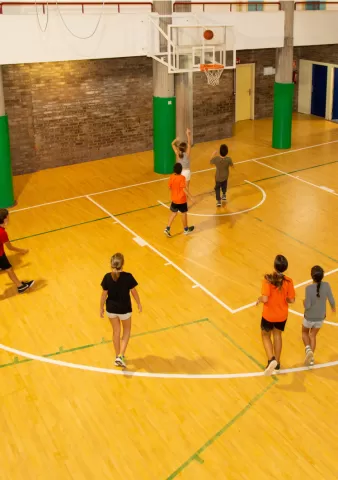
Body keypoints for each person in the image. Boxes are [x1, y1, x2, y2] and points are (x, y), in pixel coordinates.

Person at [100, 253, 142, 368]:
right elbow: (134, 292)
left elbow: (104, 295)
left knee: (116, 332)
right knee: (127, 330)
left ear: (111, 264)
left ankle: (117, 356)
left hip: (111, 309)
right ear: (123, 264)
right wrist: (138, 303)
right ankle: (121, 355)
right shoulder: (128, 277)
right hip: (125, 310)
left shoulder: (107, 277)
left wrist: (101, 308)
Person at [256, 255, 295, 376]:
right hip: (282, 315)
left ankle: (271, 359)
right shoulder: (288, 281)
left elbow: (266, 298)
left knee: (265, 335)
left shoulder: (267, 280)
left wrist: (259, 299)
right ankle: (277, 364)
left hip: (269, 315)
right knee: (277, 335)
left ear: (274, 265)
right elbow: (291, 300)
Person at [302, 265, 336, 367]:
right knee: (313, 335)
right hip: (321, 317)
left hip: (309, 316)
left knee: (304, 333)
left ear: (311, 276)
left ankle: (308, 350)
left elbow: (307, 306)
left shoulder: (308, 289)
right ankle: (311, 359)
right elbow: (331, 299)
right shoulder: (327, 285)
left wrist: (303, 302)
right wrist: (333, 307)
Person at [0, 208, 34, 294]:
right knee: (9, 269)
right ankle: (20, 286)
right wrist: (22, 250)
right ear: (5, 218)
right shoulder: (2, 233)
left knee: (9, 269)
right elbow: (10, 247)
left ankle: (20, 286)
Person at [164, 162, 194, 238]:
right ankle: (186, 229)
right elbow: (184, 189)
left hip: (174, 199)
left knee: (174, 213)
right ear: (181, 170)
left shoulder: (171, 177)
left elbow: (169, 187)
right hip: (181, 200)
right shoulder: (182, 178)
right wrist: (191, 197)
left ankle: (167, 228)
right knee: (184, 213)